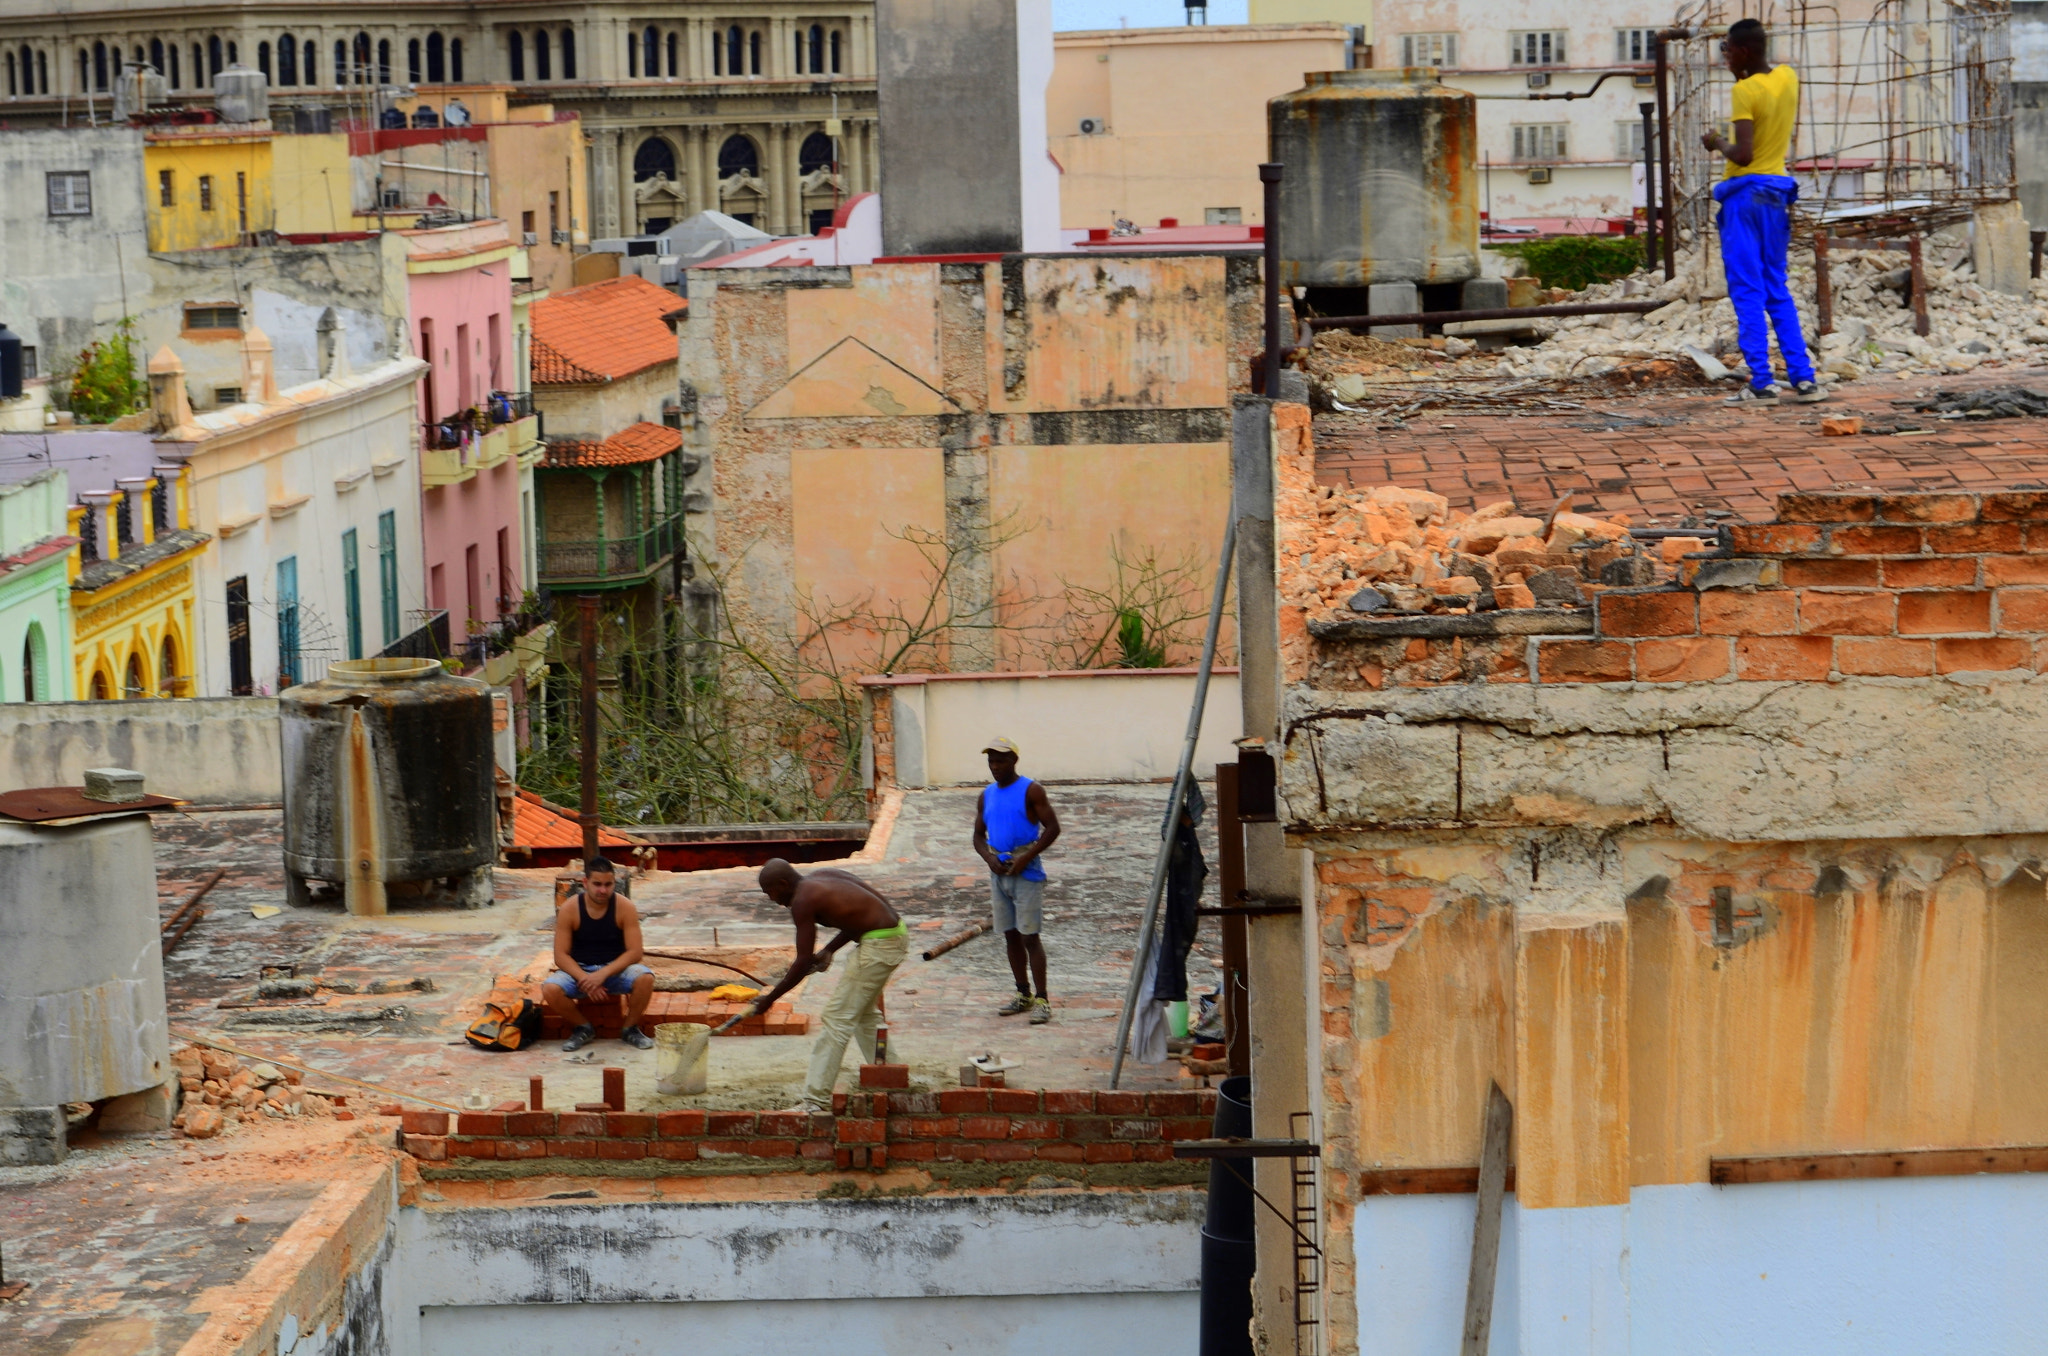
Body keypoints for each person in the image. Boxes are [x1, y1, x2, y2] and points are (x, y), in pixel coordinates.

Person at [1701, 18, 1828, 407]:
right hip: (1776, 194)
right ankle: (1805, 379)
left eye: (1726, 50)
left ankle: (1761, 381)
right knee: (1776, 286)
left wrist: (1716, 141)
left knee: (1747, 290)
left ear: (1742, 51)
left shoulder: (1745, 90)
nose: (1723, 57)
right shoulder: (1788, 77)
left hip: (1744, 198)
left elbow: (1744, 154)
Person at [742, 860, 907, 1112]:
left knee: (837, 1018)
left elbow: (803, 960)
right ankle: (891, 1076)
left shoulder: (802, 901)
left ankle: (815, 1101)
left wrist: (770, 998)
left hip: (880, 946)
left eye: (770, 893)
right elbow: (859, 916)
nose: (772, 900)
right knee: (863, 1016)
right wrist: (829, 949)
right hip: (892, 935)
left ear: (783, 884)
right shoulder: (823, 877)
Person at [971, 736, 1062, 1024]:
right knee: (1010, 935)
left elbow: (1052, 828)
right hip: (999, 872)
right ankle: (1023, 994)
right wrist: (989, 858)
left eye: (1000, 761)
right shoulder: (987, 795)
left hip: (1027, 873)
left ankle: (1043, 999)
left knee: (1029, 937)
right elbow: (977, 836)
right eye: (991, 761)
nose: (995, 766)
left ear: (1014, 761)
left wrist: (1026, 857)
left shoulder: (1031, 790)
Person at [541, 856, 655, 1052]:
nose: (603, 890)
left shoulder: (624, 907)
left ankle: (630, 1029)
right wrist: (586, 978)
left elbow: (635, 952)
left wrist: (602, 974)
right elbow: (560, 956)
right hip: (580, 971)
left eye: (608, 884)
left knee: (645, 978)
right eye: (597, 884)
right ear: (585, 883)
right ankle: (583, 1028)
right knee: (550, 989)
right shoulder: (570, 909)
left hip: (616, 970)